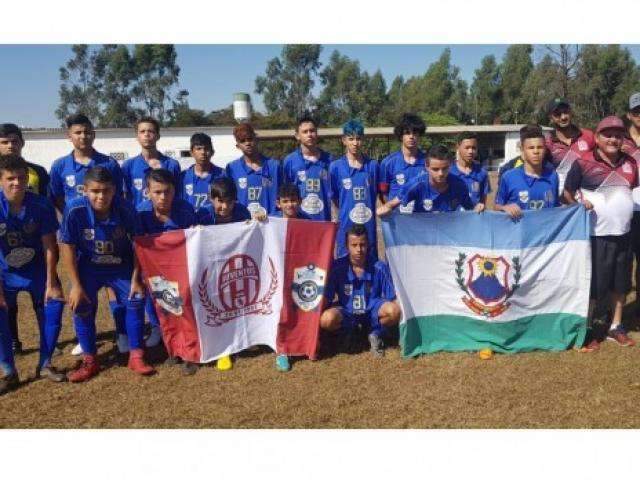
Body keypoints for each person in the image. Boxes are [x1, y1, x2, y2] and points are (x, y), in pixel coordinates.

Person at [59, 166, 154, 382]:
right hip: (90, 266)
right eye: (95, 191)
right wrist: (75, 285)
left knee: (136, 299)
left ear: (114, 191)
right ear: (85, 190)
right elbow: (67, 246)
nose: (101, 196)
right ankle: (90, 360)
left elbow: (139, 243)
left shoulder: (126, 208)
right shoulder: (74, 210)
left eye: (106, 191)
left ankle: (136, 355)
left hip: (120, 264)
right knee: (81, 305)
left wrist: (136, 278)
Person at [49, 114, 127, 356]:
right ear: (69, 135)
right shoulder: (60, 166)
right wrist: (76, 221)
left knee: (114, 287)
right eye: (78, 132)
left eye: (87, 132)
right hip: (80, 238)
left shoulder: (109, 164)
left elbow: (119, 198)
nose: (83, 136)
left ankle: (122, 333)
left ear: (94, 133)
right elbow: (57, 197)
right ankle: (86, 338)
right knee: (81, 286)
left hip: (108, 234)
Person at [563, 116, 638, 351]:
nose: (613, 139)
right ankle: (588, 329)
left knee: (621, 284)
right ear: (596, 138)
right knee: (594, 286)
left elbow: (632, 191)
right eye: (608, 134)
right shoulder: (583, 162)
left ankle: (615, 327)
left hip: (624, 233)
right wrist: (578, 204)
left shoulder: (630, 163)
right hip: (596, 235)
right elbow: (567, 193)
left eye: (618, 135)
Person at [0, 154, 66, 384]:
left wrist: (52, 281)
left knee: (54, 304)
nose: (17, 183)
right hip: (5, 272)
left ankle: (45, 363)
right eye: (10, 178)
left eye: (21, 177)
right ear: (1, 180)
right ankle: (8, 371)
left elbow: (50, 245)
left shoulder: (41, 204)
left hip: (36, 269)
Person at [136, 169, 200, 373]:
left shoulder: (185, 209)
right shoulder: (141, 213)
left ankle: (191, 352)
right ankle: (172, 348)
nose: (163, 197)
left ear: (175, 191)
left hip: (182, 270)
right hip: (154, 273)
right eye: (157, 192)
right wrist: (137, 278)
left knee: (186, 309)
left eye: (167, 191)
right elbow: (137, 247)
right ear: (147, 192)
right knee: (161, 310)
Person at [0, 123, 51, 354]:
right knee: (8, 301)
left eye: (14, 141)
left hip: (33, 241)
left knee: (41, 297)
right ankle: (13, 341)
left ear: (22, 143)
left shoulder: (37, 171)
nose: (10, 145)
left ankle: (47, 341)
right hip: (5, 245)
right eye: (4, 142)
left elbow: (46, 202)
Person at [320, 224, 401, 357]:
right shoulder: (337, 267)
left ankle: (375, 333)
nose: (359, 249)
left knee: (394, 311)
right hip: (347, 312)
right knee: (326, 319)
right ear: (347, 246)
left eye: (362, 244)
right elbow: (327, 298)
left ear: (368, 244)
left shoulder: (379, 267)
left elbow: (393, 299)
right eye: (354, 245)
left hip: (372, 311)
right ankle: (349, 333)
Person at [195, 176, 249, 372]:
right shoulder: (202, 214)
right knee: (213, 305)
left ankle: (239, 340)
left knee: (235, 303)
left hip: (234, 267)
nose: (224, 206)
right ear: (211, 199)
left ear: (235, 200)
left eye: (229, 201)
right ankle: (220, 347)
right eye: (220, 201)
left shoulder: (242, 212)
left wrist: (258, 221)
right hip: (209, 269)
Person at [377, 144, 480, 216]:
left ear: (450, 165)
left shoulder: (459, 185)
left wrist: (478, 208)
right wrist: (384, 209)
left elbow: (470, 210)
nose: (440, 173)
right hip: (423, 237)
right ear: (426, 166)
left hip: (448, 236)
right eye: (435, 169)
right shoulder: (416, 184)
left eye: (444, 168)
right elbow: (391, 204)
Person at [329, 119, 380, 259]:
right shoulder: (335, 167)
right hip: (346, 223)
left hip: (367, 223)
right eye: (351, 139)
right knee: (344, 262)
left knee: (369, 261)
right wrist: (337, 218)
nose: (355, 143)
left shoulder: (373, 166)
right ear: (344, 140)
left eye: (358, 139)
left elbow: (377, 195)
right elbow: (333, 198)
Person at [494, 124, 560, 219]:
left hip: (545, 233)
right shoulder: (508, 177)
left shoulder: (553, 176)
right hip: (519, 232)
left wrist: (579, 207)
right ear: (522, 150)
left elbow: (557, 208)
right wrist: (505, 207)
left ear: (545, 149)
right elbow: (496, 207)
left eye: (540, 147)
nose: (536, 151)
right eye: (531, 148)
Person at [122, 117, 181, 209]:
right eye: (142, 131)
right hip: (138, 219)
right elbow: (125, 198)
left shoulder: (172, 165)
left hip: (166, 219)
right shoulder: (128, 166)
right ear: (137, 137)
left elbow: (177, 195)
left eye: (151, 131)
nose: (146, 134)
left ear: (158, 136)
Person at [225, 123, 282, 217]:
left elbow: (284, 197)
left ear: (257, 140)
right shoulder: (232, 168)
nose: (247, 143)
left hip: (271, 224)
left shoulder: (275, 166)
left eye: (250, 139)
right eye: (242, 141)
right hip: (244, 224)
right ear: (238, 146)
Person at [282, 115, 333, 221]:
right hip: (300, 221)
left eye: (312, 131)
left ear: (317, 133)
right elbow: (286, 194)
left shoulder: (330, 160)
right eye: (305, 132)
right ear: (297, 135)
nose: (309, 134)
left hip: (325, 220)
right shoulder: (290, 161)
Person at [379, 113, 427, 212]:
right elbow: (383, 194)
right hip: (398, 220)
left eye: (415, 133)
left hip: (422, 219)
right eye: (407, 133)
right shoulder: (388, 163)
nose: (411, 136)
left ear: (420, 135)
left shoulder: (428, 161)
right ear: (401, 136)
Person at [622, 93, 640, 319]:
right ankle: (616, 307)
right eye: (637, 112)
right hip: (625, 209)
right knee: (623, 261)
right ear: (629, 114)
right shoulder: (620, 139)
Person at [179, 133, 225, 210]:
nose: (203, 152)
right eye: (199, 149)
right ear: (191, 152)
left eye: (206, 149)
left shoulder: (223, 175)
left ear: (212, 152)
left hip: (216, 221)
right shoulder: (182, 177)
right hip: (190, 221)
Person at [449, 131, 490, 211]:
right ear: (457, 147)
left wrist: (482, 207)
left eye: (474, 148)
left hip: (473, 221)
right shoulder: (448, 171)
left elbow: (483, 201)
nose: (470, 151)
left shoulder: (482, 172)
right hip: (453, 221)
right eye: (467, 147)